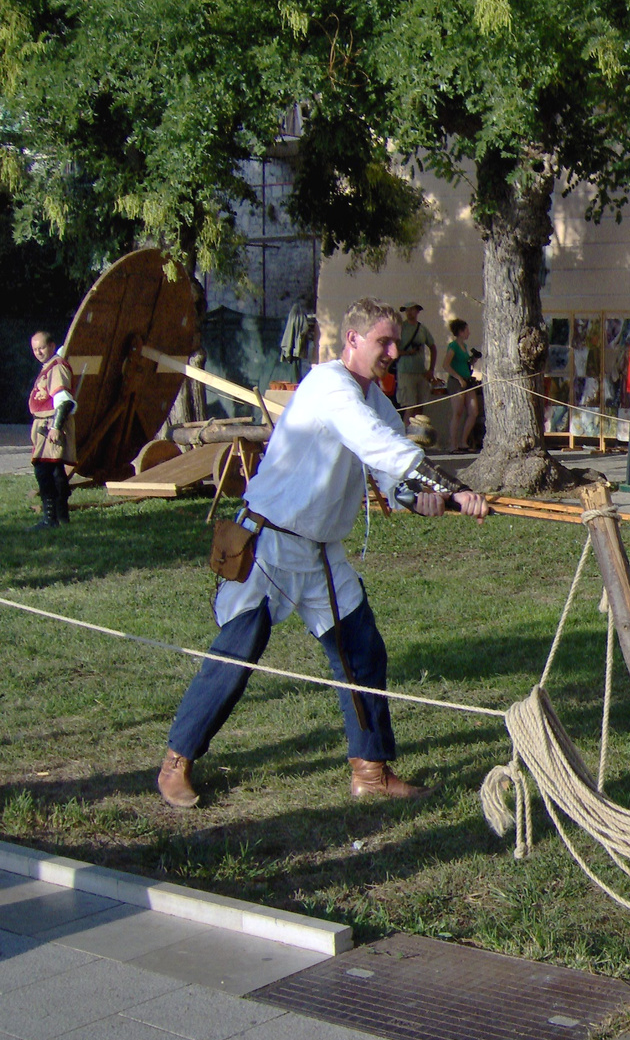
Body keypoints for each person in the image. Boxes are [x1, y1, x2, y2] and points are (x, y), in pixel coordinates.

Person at [156, 298, 489, 810]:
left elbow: (389, 480)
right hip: (268, 541)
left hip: (320, 554)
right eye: (384, 341)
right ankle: (176, 761)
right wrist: (453, 485)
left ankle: (371, 771)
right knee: (237, 651)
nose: (394, 351)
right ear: (351, 340)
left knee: (361, 650)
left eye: (396, 341)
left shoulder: (376, 403)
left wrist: (433, 501)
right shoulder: (328, 385)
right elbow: (380, 448)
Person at [26, 331, 75, 529]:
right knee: (54, 470)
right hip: (43, 424)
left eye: (42, 348)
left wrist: (56, 427)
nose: (38, 352)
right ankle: (60, 517)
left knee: (45, 470)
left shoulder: (57, 367)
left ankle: (50, 519)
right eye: (35, 349)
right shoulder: (48, 367)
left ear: (52, 346)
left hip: (51, 424)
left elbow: (63, 400)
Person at [394, 302, 439, 417]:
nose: (409, 313)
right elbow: (393, 350)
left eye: (412, 310)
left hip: (421, 372)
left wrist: (431, 370)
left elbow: (433, 347)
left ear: (417, 311)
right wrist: (408, 352)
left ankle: (419, 433)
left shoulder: (422, 329)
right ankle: (407, 434)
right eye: (407, 310)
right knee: (410, 407)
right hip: (405, 372)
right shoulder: (400, 328)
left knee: (420, 407)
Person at [444, 318, 481, 454]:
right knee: (458, 413)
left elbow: (465, 364)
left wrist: (473, 360)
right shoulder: (453, 346)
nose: (469, 333)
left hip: (467, 380)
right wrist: (458, 377)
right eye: (466, 330)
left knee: (473, 411)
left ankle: (463, 441)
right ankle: (453, 445)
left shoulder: (464, 347)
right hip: (457, 382)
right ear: (460, 332)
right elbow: (446, 364)